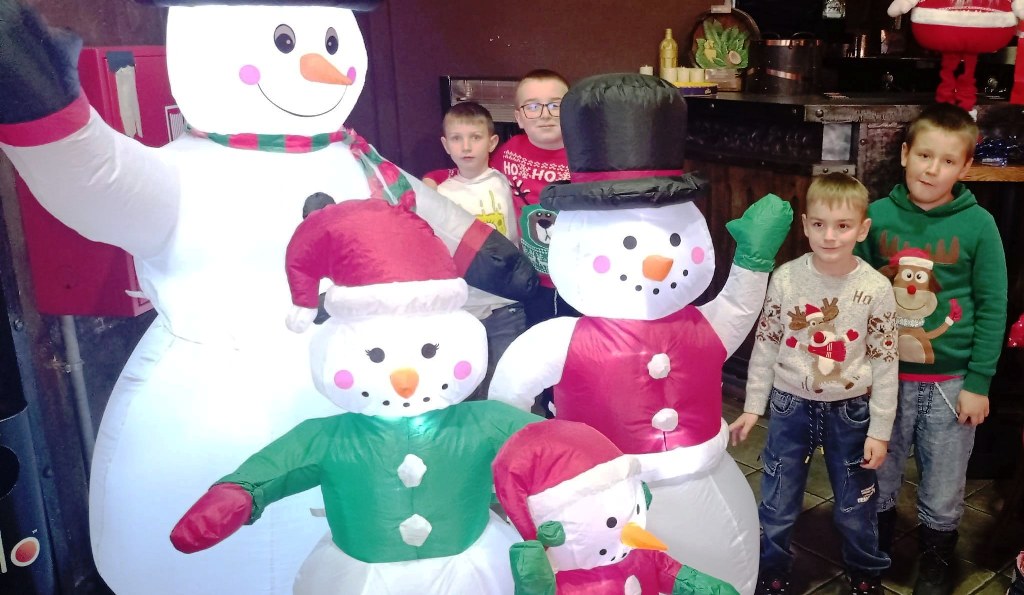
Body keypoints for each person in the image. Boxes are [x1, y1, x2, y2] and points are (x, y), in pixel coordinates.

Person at [855, 102, 1008, 595]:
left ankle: (937, 560)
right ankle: (874, 551)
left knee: (944, 483)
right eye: (924, 155)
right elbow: (854, 293)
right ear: (905, 154)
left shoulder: (979, 225)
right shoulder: (876, 217)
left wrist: (979, 383)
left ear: (965, 167)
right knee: (878, 471)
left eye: (947, 161)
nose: (932, 169)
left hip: (952, 384)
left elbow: (993, 306)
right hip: (884, 380)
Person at [729, 173, 898, 595]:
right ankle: (772, 567)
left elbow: (885, 362)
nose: (830, 235)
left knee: (856, 502)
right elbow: (766, 344)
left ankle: (865, 570)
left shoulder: (877, 288)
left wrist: (879, 430)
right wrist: (752, 406)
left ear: (862, 229)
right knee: (778, 497)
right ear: (805, 225)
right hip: (790, 406)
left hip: (852, 411)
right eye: (819, 224)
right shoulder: (785, 278)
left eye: (842, 226)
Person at [423, 101, 525, 399]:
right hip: (460, 307)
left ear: (492, 142)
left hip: (506, 305)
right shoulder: (440, 193)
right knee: (462, 388)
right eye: (457, 138)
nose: (466, 146)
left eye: (475, 137)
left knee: (505, 387)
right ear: (446, 144)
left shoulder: (508, 184)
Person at [490, 69, 577, 328]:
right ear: (518, 117)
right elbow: (473, 174)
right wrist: (436, 177)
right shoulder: (508, 152)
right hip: (529, 279)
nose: (545, 114)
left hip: (580, 276)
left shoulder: (588, 154)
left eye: (555, 105)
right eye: (532, 107)